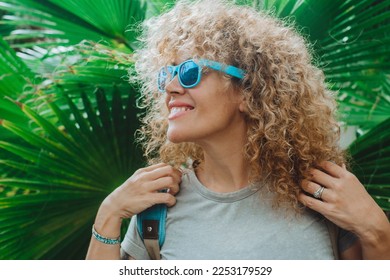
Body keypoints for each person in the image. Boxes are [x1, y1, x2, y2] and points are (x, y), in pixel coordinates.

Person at [86, 0, 390, 260]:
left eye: (189, 72)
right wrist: (109, 215)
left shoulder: (323, 196)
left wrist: (377, 231)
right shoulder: (156, 209)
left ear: (248, 90)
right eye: (165, 74)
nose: (170, 86)